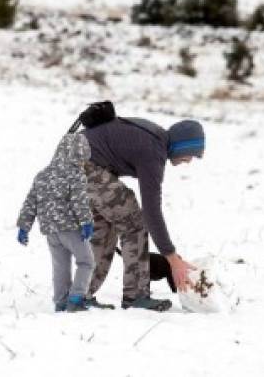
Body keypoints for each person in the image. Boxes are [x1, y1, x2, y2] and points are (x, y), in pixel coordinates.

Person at [81, 117, 204, 311]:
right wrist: (172, 259)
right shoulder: (153, 152)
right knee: (133, 223)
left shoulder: (155, 140)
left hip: (74, 162)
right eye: (191, 154)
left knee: (107, 227)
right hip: (82, 165)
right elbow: (152, 211)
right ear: (181, 145)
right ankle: (136, 296)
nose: (189, 161)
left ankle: (79, 295)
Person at [16, 133, 96, 312]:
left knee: (61, 267)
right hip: (70, 228)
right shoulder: (75, 173)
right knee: (86, 261)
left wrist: (24, 226)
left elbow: (31, 202)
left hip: (50, 231)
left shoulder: (42, 174)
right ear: (80, 154)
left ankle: (60, 301)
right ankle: (76, 298)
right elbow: (79, 200)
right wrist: (86, 222)